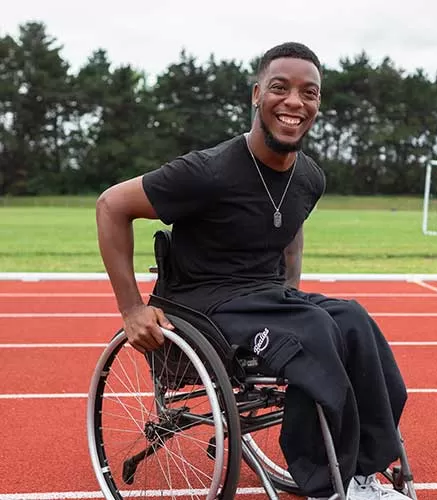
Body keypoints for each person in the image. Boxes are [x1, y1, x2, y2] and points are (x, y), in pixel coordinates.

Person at [96, 41, 409, 500]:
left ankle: (362, 470)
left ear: (318, 104)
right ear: (257, 95)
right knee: (315, 331)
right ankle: (326, 482)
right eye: (281, 88)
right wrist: (131, 308)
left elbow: (293, 232)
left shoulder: (310, 177)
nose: (295, 102)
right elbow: (110, 206)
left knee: (355, 321)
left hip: (264, 297)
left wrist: (292, 297)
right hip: (201, 303)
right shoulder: (208, 170)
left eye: (310, 93)